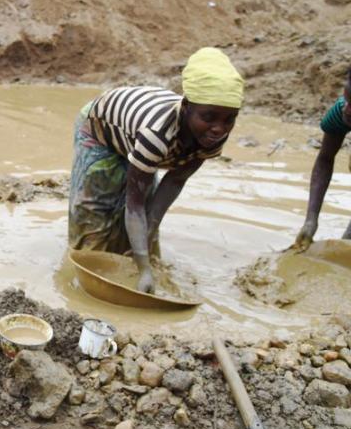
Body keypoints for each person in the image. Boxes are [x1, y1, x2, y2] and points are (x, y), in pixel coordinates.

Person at [68, 47, 243, 294]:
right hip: (100, 128)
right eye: (209, 117)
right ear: (186, 107)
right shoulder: (156, 135)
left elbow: (175, 180)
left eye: (229, 119)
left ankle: (134, 259)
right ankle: (86, 276)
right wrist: (144, 271)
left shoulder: (213, 135)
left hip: (138, 134)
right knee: (96, 208)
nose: (219, 128)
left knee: (147, 218)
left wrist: (148, 236)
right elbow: (134, 204)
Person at [295, 68, 351, 249]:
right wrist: (311, 220)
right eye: (349, 97)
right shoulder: (343, 112)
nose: (348, 110)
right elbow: (325, 159)